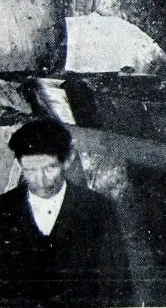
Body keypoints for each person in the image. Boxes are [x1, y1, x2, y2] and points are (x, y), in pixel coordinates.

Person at [0, 119, 131, 307]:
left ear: (67, 161)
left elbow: (117, 286)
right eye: (30, 170)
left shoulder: (98, 209)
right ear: (20, 165)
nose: (41, 180)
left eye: (49, 168)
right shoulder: (4, 209)